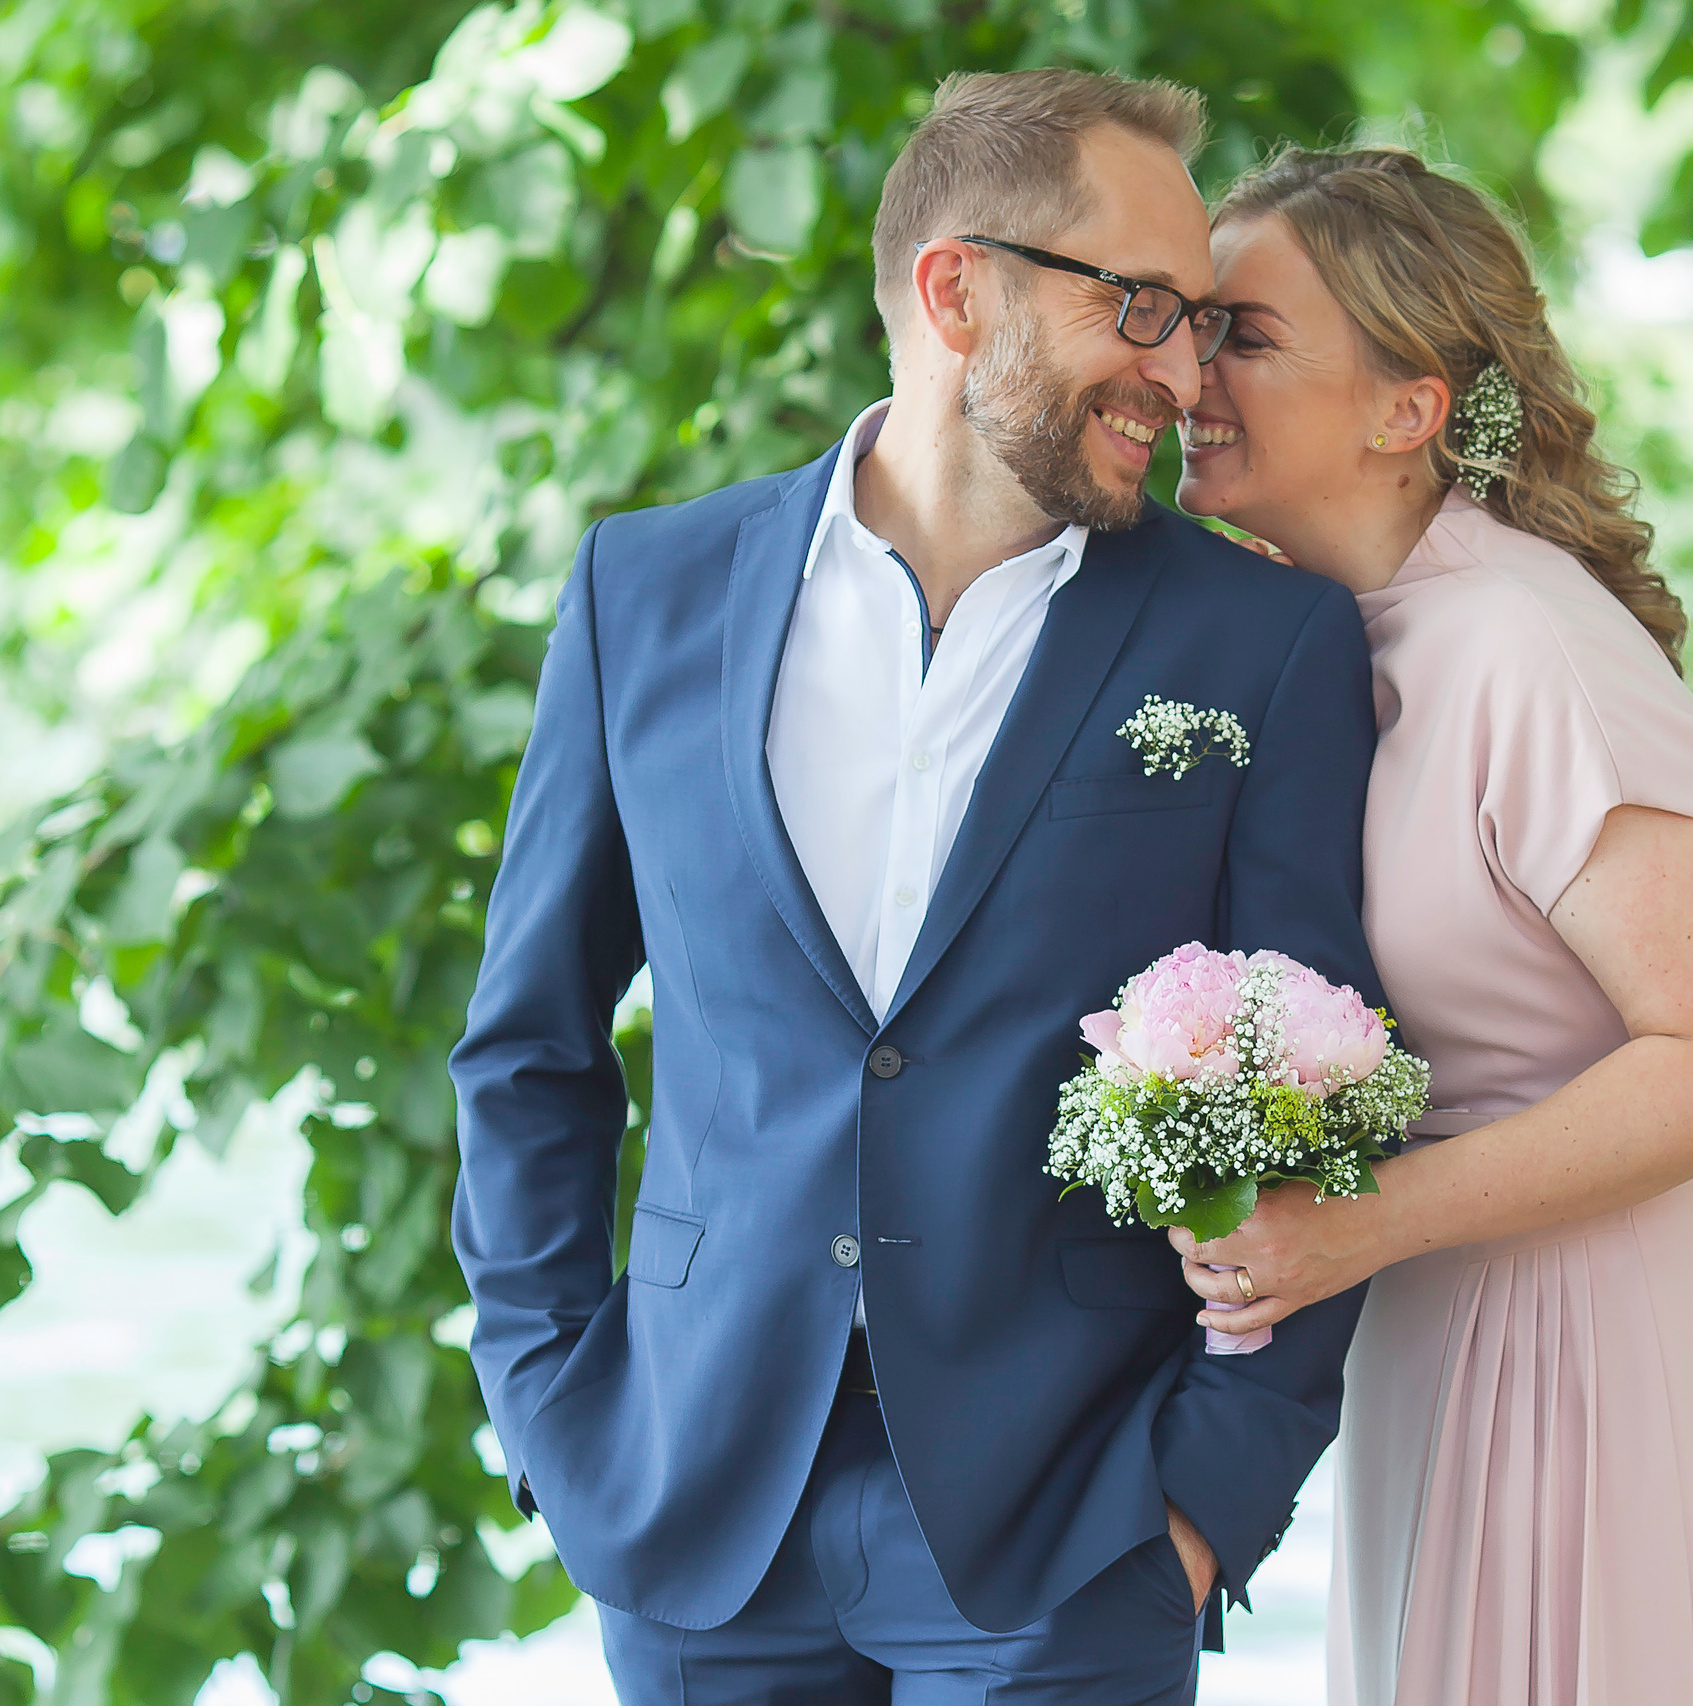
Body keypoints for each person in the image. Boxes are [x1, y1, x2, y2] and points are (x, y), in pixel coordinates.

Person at [447, 72, 1388, 1705]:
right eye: (1143, 307)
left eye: (1199, 323)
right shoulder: (643, 592)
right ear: (959, 291)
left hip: (1070, 1533)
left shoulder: (1263, 640)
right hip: (693, 1508)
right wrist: (550, 1409)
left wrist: (1203, 1502)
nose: (1184, 375)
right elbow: (531, 1044)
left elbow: (1324, 1093)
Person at [1171, 145, 1693, 1705]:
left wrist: (1363, 1221)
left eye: (1247, 334)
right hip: (1432, 1340)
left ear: (1407, 409)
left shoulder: (1531, 644)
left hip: (1592, 1370)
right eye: (1194, 325)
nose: (1189, 371)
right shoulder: (1336, 639)